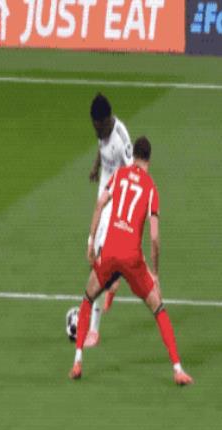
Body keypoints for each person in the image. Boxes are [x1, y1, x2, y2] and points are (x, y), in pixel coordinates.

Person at [69, 137, 193, 385]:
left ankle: (77, 362)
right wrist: (155, 273)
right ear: (149, 159)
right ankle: (178, 369)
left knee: (87, 298)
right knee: (158, 309)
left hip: (109, 251)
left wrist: (91, 242)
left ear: (133, 154)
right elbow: (154, 236)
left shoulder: (119, 175)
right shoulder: (151, 188)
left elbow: (100, 203)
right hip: (132, 258)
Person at [85, 93, 133, 347]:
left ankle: (94, 329)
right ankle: (114, 280)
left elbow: (135, 171)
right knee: (96, 254)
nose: (97, 132)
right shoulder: (102, 132)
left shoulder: (121, 138)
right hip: (103, 194)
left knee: (98, 258)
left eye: (99, 127)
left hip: (117, 199)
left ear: (107, 121)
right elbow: (101, 148)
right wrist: (96, 166)